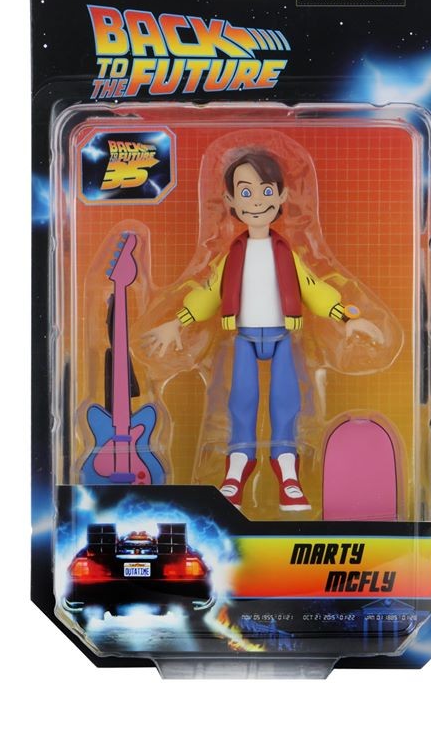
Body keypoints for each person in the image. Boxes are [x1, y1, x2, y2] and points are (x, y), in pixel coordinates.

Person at [143, 150, 383, 511]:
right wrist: (177, 322)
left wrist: (349, 319)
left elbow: (313, 288)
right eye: (245, 192)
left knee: (287, 404)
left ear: (282, 195)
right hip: (242, 339)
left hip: (283, 338)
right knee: (240, 403)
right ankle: (235, 474)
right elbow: (209, 292)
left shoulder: (287, 253)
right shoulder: (231, 256)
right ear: (229, 200)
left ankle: (288, 477)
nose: (256, 201)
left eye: (266, 191)